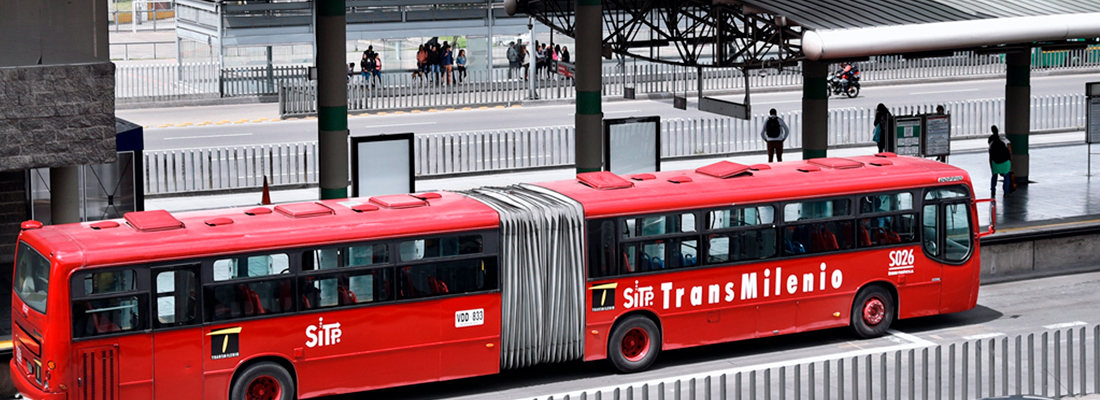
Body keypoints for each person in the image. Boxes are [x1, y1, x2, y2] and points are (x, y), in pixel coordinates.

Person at [988, 125, 1013, 196]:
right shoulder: (1005, 141)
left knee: (994, 176)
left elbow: (990, 156)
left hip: (995, 163)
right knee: (1007, 176)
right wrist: (1010, 161)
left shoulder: (991, 143)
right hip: (1005, 162)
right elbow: (1010, 151)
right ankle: (1006, 191)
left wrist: (991, 166)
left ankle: (993, 190)